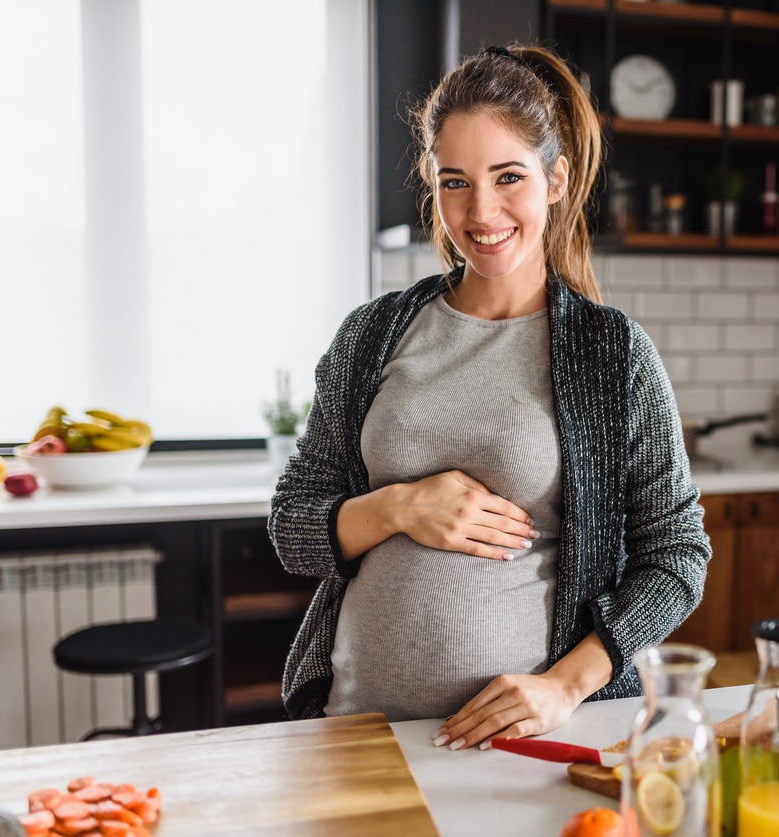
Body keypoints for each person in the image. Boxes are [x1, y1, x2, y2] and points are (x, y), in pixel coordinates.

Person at [268, 43, 711, 750]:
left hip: (528, 741)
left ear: (556, 179)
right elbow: (292, 524)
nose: (481, 210)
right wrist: (400, 506)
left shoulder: (612, 354)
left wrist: (566, 684)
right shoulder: (372, 335)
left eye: (508, 176)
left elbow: (677, 553)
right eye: (455, 182)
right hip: (356, 727)